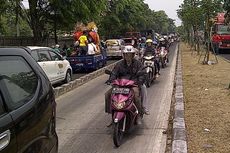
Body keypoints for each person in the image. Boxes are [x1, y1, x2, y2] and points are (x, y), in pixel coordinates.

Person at [105, 46, 149, 125]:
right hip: (120, 85)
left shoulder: (138, 64)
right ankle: (111, 113)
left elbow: (142, 73)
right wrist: (111, 80)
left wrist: (139, 81)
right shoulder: (119, 64)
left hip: (133, 84)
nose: (128, 56)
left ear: (133, 55)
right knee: (108, 94)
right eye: (126, 54)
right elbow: (114, 73)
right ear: (124, 55)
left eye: (130, 54)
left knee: (136, 96)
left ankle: (139, 114)